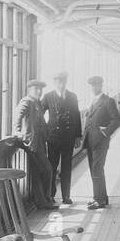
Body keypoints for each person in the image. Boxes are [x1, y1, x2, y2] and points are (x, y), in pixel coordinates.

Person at [13, 79, 57, 210]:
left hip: (39, 142)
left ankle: (42, 202)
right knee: (47, 170)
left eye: (40, 89)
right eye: (36, 89)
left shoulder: (36, 102)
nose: (39, 91)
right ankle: (45, 201)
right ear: (29, 90)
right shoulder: (27, 101)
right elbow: (17, 117)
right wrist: (17, 131)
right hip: (32, 144)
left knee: (39, 172)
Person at [82, 75, 120, 210]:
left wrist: (106, 132)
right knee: (95, 170)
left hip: (100, 142)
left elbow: (117, 121)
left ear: (101, 86)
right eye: (92, 86)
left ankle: (99, 200)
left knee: (97, 169)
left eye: (96, 86)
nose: (94, 88)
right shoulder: (92, 101)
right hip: (90, 142)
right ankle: (100, 198)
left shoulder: (107, 101)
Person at [42, 71, 81, 204]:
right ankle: (51, 195)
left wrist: (78, 136)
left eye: (63, 81)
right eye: (59, 82)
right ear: (55, 83)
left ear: (66, 82)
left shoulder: (72, 96)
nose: (61, 84)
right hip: (53, 137)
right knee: (52, 166)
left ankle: (66, 196)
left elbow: (76, 116)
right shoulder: (48, 97)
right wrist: (44, 130)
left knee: (66, 167)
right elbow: (39, 114)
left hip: (68, 137)